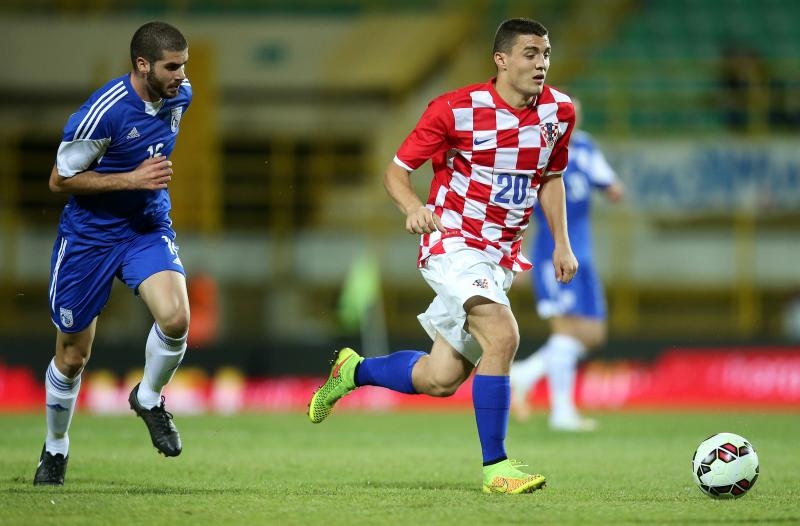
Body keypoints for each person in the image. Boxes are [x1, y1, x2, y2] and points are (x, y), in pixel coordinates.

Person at [308, 18, 577, 494]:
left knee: (441, 378)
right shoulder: (456, 109)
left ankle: (352, 370)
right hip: (451, 241)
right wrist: (413, 207)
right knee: (502, 334)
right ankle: (496, 468)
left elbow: (550, 178)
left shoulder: (560, 111)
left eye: (547, 53)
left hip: (499, 256)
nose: (542, 63)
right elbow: (396, 170)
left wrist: (561, 242)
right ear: (502, 60)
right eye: (531, 53)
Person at [34, 21, 192, 486]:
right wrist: (131, 179)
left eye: (184, 65)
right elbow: (58, 180)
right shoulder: (102, 113)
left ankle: (148, 397)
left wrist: (144, 190)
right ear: (142, 65)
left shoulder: (180, 95)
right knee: (72, 356)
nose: (182, 75)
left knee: (177, 318)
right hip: (90, 236)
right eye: (172, 67)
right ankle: (56, 448)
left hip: (145, 226)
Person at [510, 98, 624, 431]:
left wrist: (613, 188)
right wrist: (517, 257)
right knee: (566, 330)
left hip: (582, 254)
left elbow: (611, 185)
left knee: (593, 333)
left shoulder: (585, 146)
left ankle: (525, 373)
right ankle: (561, 412)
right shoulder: (536, 154)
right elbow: (520, 213)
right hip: (553, 253)